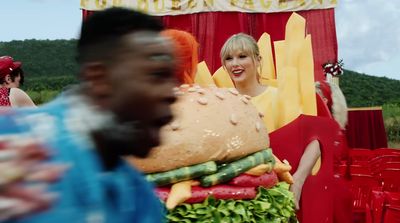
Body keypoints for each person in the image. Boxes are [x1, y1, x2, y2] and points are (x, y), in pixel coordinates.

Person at [0, 7, 176, 223]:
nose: (171, 94)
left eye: (172, 79)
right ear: (100, 78)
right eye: (157, 75)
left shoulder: (137, 196)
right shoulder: (11, 144)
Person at [220, 33, 320, 209]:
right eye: (229, 58)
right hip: (235, 199)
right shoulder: (221, 102)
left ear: (258, 60)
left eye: (242, 56)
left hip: (280, 195)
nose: (235, 63)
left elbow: (315, 143)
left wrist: (297, 181)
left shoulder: (279, 97)